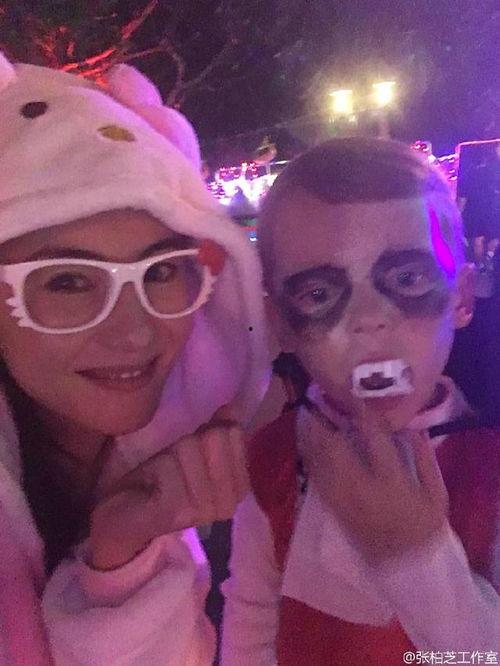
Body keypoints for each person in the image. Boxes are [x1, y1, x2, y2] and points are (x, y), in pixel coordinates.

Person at [0, 53, 268, 664]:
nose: (134, 333)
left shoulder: (169, 453)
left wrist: (122, 556)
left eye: (162, 271)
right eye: (68, 281)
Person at [222, 138, 500, 664]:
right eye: (319, 293)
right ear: (282, 324)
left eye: (408, 278)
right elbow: (252, 620)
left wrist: (415, 554)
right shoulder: (274, 460)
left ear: (462, 298)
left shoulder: (491, 470)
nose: (368, 320)